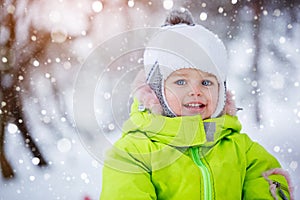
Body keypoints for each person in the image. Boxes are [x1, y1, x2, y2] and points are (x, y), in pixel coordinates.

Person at [100, 8, 293, 200]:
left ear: (221, 92)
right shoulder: (133, 153)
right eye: (181, 82)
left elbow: (269, 182)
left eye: (206, 82)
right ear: (157, 92)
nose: (196, 91)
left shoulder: (241, 149)